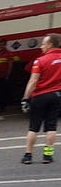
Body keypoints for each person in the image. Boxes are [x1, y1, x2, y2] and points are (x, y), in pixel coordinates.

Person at [20, 34, 61, 165]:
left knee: (33, 127)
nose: (41, 47)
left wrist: (25, 98)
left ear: (50, 45)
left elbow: (33, 81)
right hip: (56, 95)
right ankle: (48, 155)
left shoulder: (40, 61)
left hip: (40, 96)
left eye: (43, 44)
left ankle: (28, 155)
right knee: (51, 126)